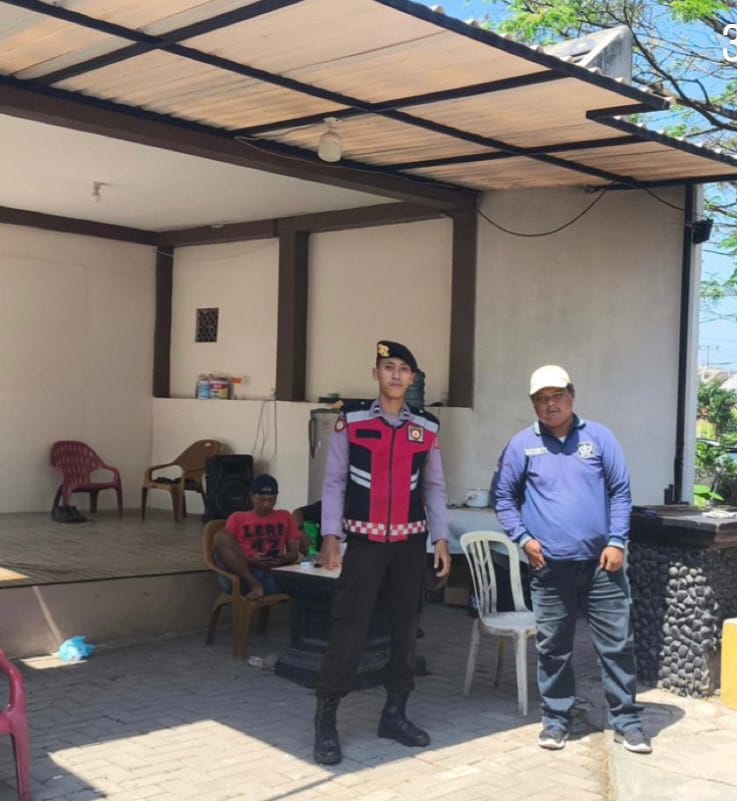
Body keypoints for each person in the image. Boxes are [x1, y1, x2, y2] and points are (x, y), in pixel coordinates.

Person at [491, 365, 652, 754]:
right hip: (549, 567)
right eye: (541, 399)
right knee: (553, 648)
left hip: (602, 565)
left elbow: (621, 492)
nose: (551, 404)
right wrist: (524, 539)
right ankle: (556, 720)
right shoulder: (521, 445)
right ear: (533, 404)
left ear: (572, 396)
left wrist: (617, 542)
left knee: (617, 645)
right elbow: (503, 498)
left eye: (557, 396)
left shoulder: (599, 438)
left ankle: (627, 722)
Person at [312, 340, 451, 765]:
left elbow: (434, 487)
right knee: (348, 632)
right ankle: (326, 720)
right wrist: (330, 535)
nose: (395, 375)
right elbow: (334, 481)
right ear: (375, 374)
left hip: (409, 546)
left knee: (406, 632)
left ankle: (394, 714)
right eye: (388, 367)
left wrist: (440, 539)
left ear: (413, 379)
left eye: (404, 369)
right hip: (365, 545)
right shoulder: (351, 421)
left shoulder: (426, 427)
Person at [214, 473, 300, 600]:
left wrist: (282, 558)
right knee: (220, 537)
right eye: (261, 500)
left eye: (271, 500)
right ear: (252, 496)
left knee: (306, 584)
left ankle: (258, 587)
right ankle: (253, 584)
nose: (266, 505)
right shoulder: (237, 518)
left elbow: (294, 554)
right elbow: (226, 548)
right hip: (243, 574)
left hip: (272, 573)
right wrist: (249, 560)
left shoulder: (285, 516)